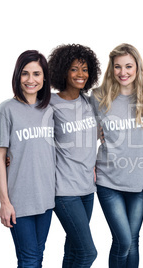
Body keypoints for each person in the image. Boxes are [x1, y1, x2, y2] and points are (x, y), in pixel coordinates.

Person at [90, 43, 143, 268]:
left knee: (134, 241)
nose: (123, 72)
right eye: (117, 67)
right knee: (123, 240)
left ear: (137, 67)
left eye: (128, 66)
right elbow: (83, 130)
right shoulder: (98, 96)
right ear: (111, 68)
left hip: (139, 182)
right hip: (109, 180)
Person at [0, 50, 55, 267]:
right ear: (17, 76)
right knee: (29, 260)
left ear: (44, 77)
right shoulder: (5, 110)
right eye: (25, 74)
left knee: (37, 256)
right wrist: (4, 202)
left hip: (46, 199)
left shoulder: (49, 110)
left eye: (36, 74)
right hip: (20, 201)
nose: (31, 80)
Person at [47, 44, 101, 267]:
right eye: (74, 69)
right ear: (62, 72)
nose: (81, 75)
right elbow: (29, 129)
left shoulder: (89, 102)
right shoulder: (49, 104)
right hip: (64, 190)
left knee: (73, 251)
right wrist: (10, 154)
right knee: (88, 253)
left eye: (85, 69)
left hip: (87, 188)